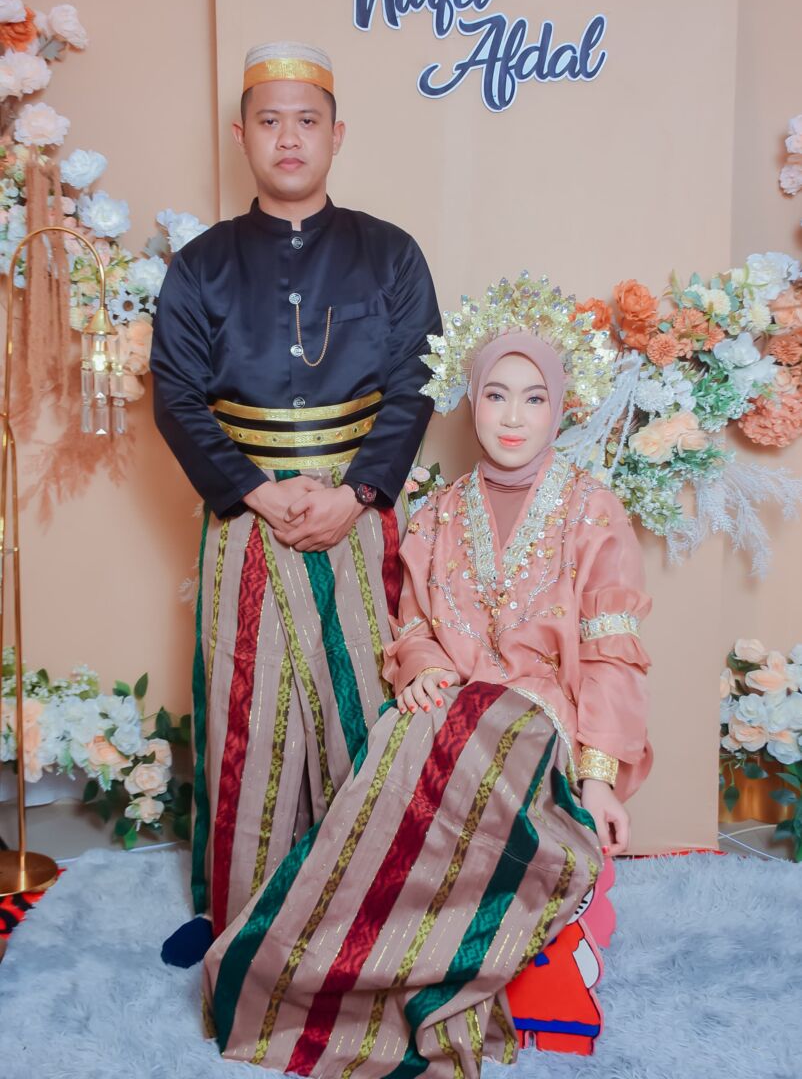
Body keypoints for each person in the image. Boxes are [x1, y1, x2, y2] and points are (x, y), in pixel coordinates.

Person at [200, 305, 652, 1076]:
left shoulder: (592, 512)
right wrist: (424, 667)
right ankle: (299, 980)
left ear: (561, 406)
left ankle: (404, 980)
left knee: (457, 747)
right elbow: (409, 625)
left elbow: (613, 655)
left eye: (534, 397)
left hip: (537, 719)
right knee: (390, 756)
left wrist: (600, 777)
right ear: (472, 402)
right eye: (497, 395)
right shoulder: (440, 510)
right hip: (449, 705)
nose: (514, 417)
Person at [150, 42, 441, 962]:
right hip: (247, 514)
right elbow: (175, 396)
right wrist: (256, 492)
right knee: (247, 708)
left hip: (360, 510)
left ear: (336, 135)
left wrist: (358, 493)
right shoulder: (200, 264)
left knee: (369, 698)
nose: (288, 138)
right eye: (269, 120)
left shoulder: (391, 253)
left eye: (306, 121)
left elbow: (416, 384)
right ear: (241, 134)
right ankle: (235, 913)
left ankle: (371, 911)